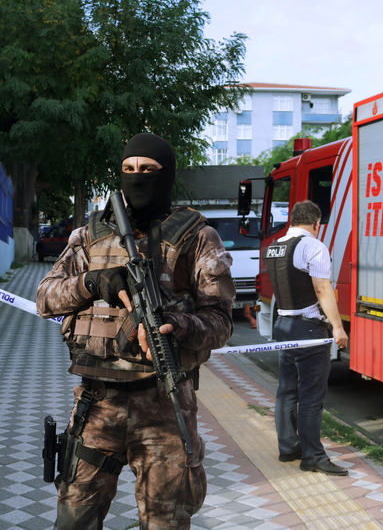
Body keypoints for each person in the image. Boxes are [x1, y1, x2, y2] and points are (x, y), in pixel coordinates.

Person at [36, 132, 235, 529]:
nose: (137, 177)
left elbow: (221, 322)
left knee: (166, 522)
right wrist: (92, 284)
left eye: (148, 170)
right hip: (97, 404)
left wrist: (178, 326)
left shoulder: (197, 237)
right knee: (73, 520)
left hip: (164, 402)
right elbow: (45, 299)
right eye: (128, 170)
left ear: (167, 175)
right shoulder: (89, 235)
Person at [262, 200, 350, 476]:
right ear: (315, 223)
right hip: (309, 329)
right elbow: (323, 290)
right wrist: (338, 327)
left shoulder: (275, 246)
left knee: (287, 390)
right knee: (311, 396)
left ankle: (288, 447)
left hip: (284, 324)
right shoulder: (314, 246)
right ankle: (313, 455)